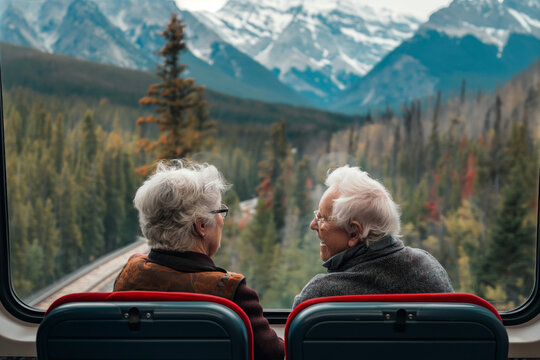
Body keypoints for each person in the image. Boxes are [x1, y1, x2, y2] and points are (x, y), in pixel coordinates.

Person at [114, 160, 284, 360]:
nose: (222, 219)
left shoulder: (129, 277)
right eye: (220, 211)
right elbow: (275, 354)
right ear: (201, 225)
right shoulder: (230, 292)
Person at [293, 165, 454, 308]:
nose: (313, 225)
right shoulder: (429, 272)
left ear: (354, 232)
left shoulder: (317, 299)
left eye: (322, 219)